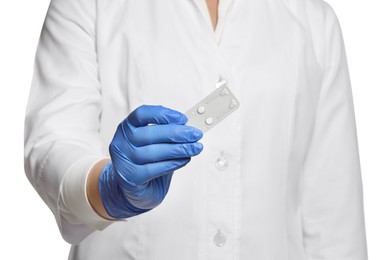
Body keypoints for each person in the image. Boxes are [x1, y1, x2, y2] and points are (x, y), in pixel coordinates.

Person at [24, 0, 368, 259]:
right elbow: (53, 143)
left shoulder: (313, 19)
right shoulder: (90, 4)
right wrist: (107, 189)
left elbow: (334, 220)